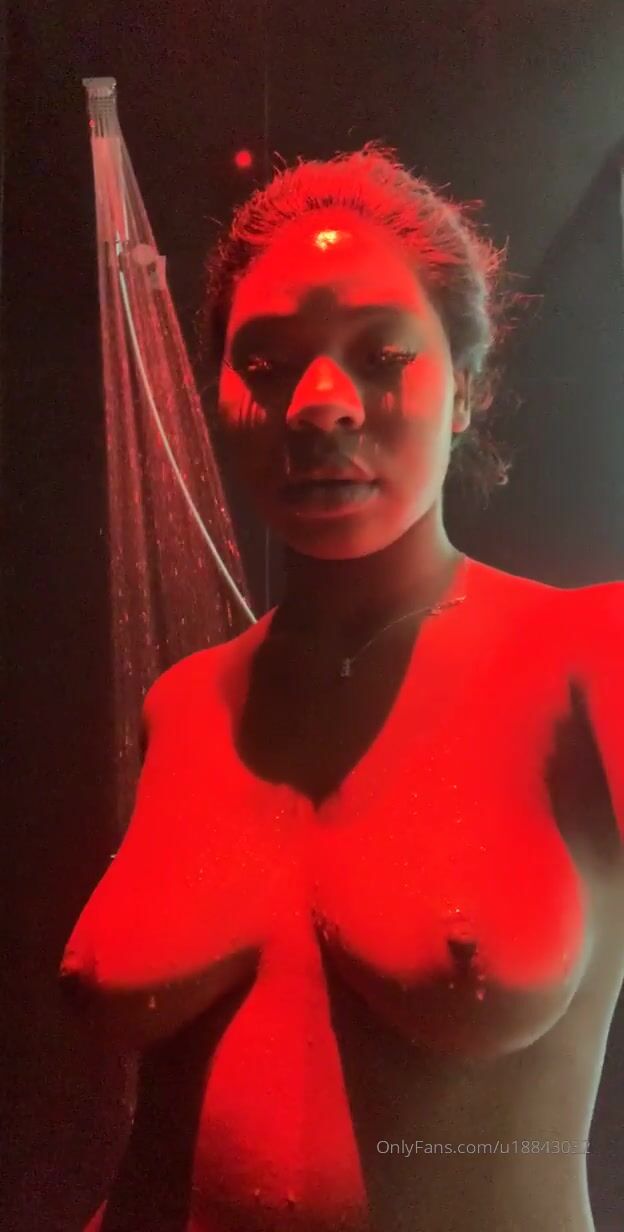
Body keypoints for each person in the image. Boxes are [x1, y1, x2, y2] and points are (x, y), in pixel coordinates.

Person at [59, 143, 624, 1232]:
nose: (319, 403)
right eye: (266, 362)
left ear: (468, 389)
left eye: (383, 353)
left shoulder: (593, 654)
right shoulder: (186, 702)